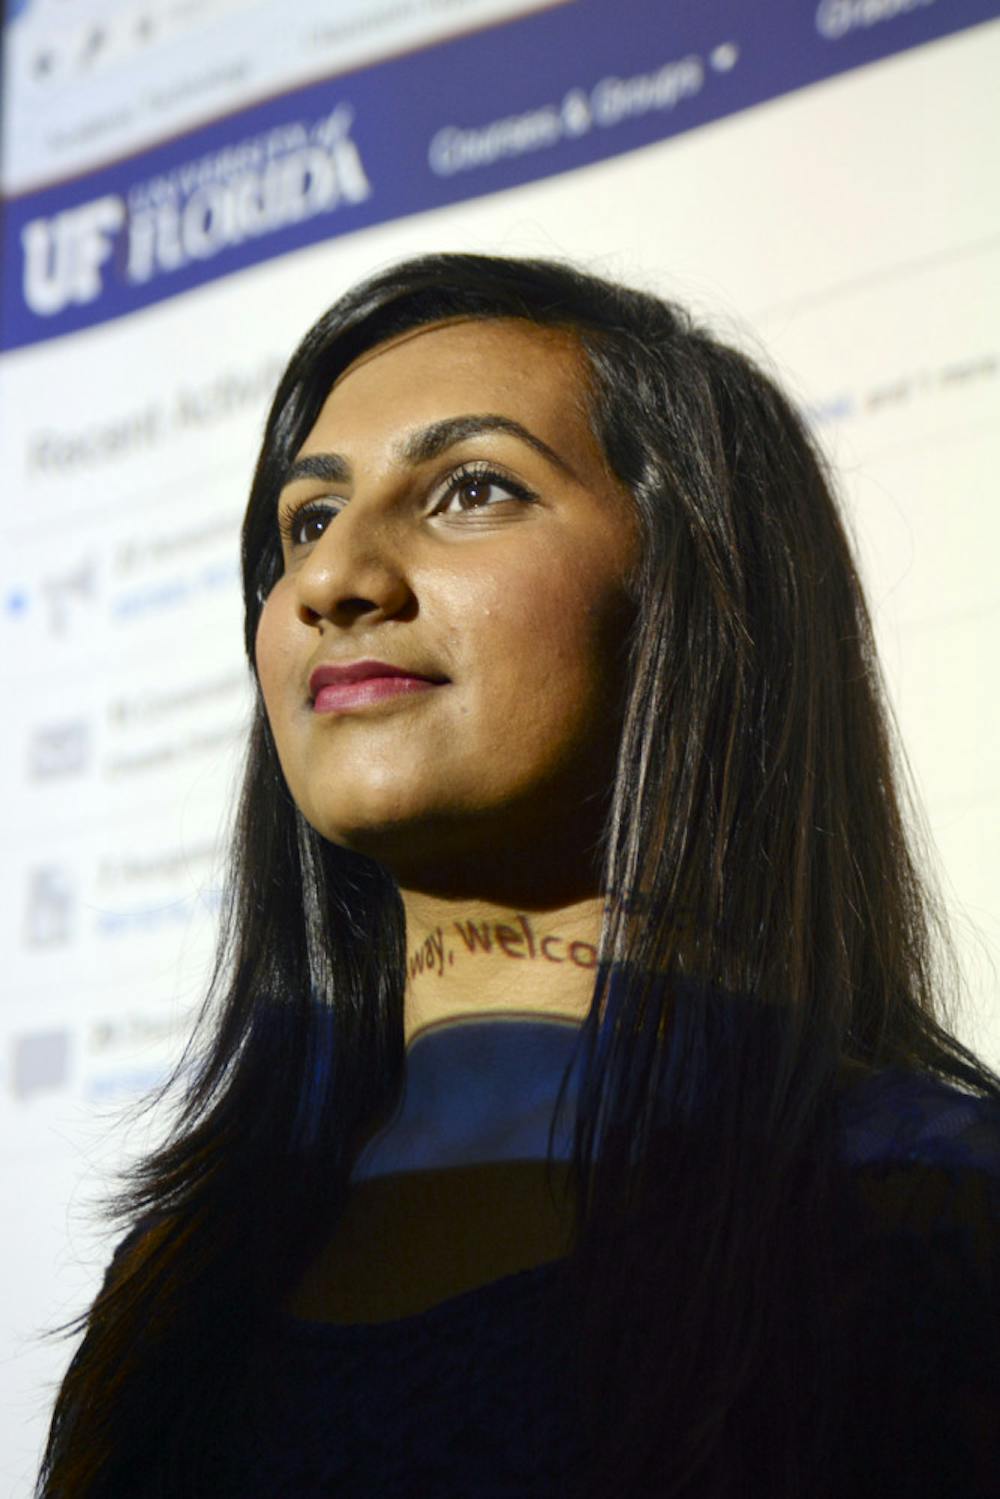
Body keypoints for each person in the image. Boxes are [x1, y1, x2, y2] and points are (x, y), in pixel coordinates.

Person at [37, 254, 999, 1498]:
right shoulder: (173, 1290)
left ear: (692, 594)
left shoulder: (928, 1218)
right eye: (307, 521)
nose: (332, 580)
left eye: (470, 489)